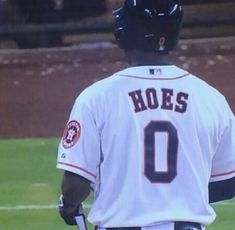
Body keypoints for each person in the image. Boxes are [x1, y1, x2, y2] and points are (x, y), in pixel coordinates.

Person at [56, 0, 235, 230]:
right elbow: (228, 183)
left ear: (127, 32)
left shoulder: (96, 98)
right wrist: (175, 195)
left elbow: (75, 186)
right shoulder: (211, 98)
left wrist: (69, 206)